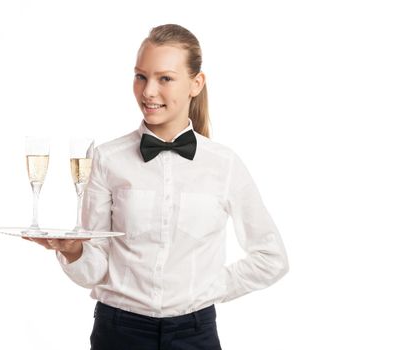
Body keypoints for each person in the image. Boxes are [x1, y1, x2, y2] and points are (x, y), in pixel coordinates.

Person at [25, 23, 289, 350]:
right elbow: (92, 271)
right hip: (118, 332)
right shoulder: (107, 159)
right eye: (141, 76)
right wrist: (73, 251)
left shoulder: (225, 164)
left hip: (195, 334)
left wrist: (209, 288)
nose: (148, 91)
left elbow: (271, 258)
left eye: (165, 78)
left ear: (196, 83)